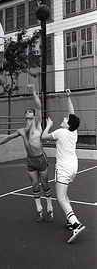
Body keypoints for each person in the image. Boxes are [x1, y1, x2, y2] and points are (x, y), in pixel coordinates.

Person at [0, 84, 53, 222]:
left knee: (45, 183)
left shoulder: (37, 125)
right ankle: (39, 209)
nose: (29, 113)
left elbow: (39, 106)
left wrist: (33, 92)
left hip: (40, 159)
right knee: (35, 184)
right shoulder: (22, 131)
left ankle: (49, 207)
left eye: (31, 112)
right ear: (25, 115)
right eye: (27, 112)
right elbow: (8, 137)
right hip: (30, 160)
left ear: (34, 116)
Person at [41, 89, 85, 243]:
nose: (65, 118)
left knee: (60, 198)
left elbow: (43, 137)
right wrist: (68, 97)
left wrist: (47, 126)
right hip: (73, 167)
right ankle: (69, 219)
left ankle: (76, 224)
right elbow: (72, 113)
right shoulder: (73, 132)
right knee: (65, 195)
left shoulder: (60, 132)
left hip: (64, 168)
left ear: (68, 124)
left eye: (66, 119)